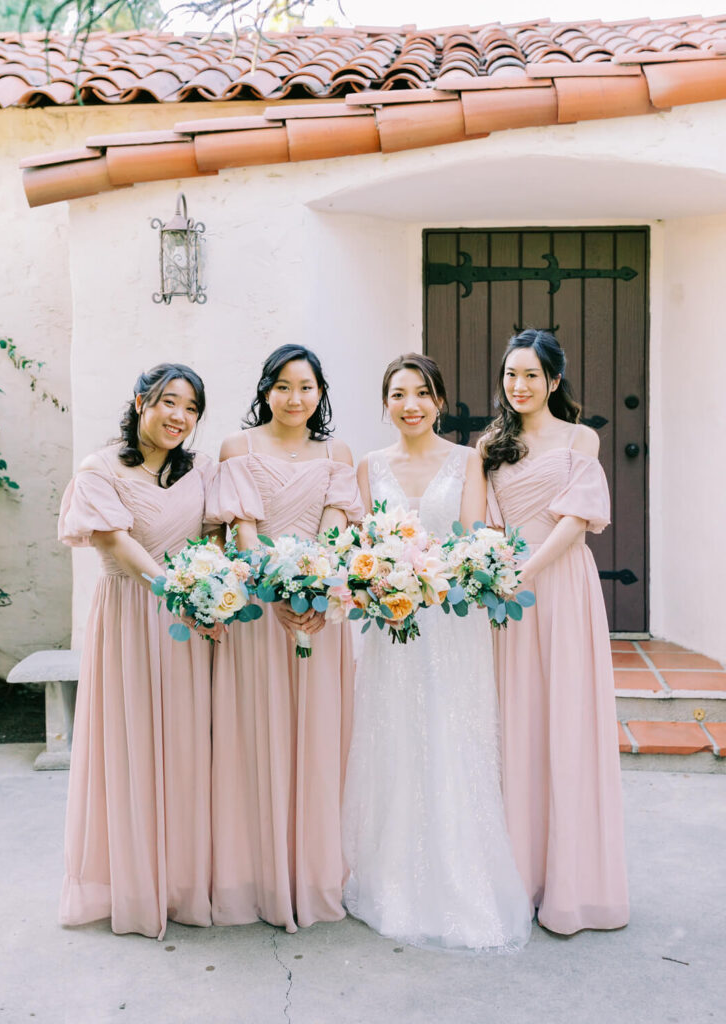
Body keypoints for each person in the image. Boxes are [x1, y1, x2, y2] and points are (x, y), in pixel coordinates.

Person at [342, 353, 531, 952]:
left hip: (452, 624)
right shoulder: (369, 467)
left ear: (441, 401)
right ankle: (394, 879)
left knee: (454, 738)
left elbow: (475, 537)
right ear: (385, 404)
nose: (410, 405)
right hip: (392, 624)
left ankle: (461, 879)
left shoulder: (467, 460)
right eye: (398, 394)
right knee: (395, 739)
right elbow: (363, 543)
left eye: (422, 393)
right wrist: (386, 581)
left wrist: (436, 575)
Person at [58, 363, 220, 939]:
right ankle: (134, 884)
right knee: (130, 746)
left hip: (190, 626)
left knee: (186, 745)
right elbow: (114, 540)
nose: (180, 417)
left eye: (192, 408)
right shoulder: (99, 468)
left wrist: (215, 593)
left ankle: (181, 883)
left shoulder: (201, 470)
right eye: (168, 402)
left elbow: (219, 537)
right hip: (131, 614)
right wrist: (177, 591)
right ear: (139, 402)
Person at [481, 329, 629, 935]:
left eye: (532, 377)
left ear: (554, 382)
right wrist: (494, 569)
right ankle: (519, 877)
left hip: (561, 585)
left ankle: (573, 884)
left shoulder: (579, 438)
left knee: (565, 721)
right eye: (511, 375)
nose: (519, 386)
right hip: (508, 596)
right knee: (515, 724)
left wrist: (526, 569)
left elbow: (577, 518)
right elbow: (485, 519)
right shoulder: (490, 444)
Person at [210, 344, 363, 932]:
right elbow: (242, 531)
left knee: (318, 740)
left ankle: (316, 874)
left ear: (320, 392)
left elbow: (335, 526)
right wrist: (278, 595)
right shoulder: (237, 449)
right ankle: (259, 878)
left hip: (317, 616)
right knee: (255, 737)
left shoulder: (337, 454)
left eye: (306, 387)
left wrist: (313, 592)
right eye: (282, 386)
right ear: (265, 390)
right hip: (256, 611)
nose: (294, 398)